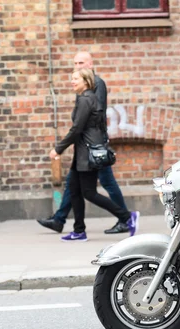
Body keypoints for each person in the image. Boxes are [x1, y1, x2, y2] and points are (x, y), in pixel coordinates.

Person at [38, 51, 131, 234]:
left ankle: (125, 218)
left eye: (81, 62)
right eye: (75, 63)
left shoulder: (96, 85)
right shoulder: (82, 89)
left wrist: (98, 142)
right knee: (74, 184)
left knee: (103, 183)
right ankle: (61, 220)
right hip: (87, 145)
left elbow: (96, 116)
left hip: (94, 146)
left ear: (90, 64)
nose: (78, 66)